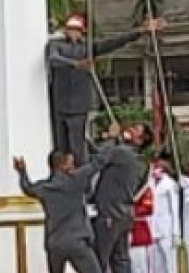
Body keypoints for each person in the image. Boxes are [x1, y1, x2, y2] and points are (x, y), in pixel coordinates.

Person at [46, 14, 163, 164]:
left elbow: (113, 43)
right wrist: (76, 64)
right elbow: (53, 58)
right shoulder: (56, 45)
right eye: (70, 29)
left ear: (82, 31)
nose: (73, 32)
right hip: (59, 102)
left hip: (78, 106)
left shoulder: (87, 47)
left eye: (77, 30)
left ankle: (82, 176)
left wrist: (139, 31)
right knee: (60, 149)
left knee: (78, 147)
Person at [91, 121, 152, 273]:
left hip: (110, 211)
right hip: (125, 213)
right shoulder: (142, 161)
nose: (130, 129)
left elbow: (98, 158)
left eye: (136, 130)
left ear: (140, 140)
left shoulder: (122, 153)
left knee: (100, 259)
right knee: (121, 258)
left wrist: (110, 137)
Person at [148, 153, 181, 273]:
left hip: (167, 228)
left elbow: (175, 209)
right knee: (157, 266)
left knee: (170, 265)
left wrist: (176, 232)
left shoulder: (170, 184)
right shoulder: (149, 183)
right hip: (153, 228)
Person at [129, 178, 154, 273]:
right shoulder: (124, 187)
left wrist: (129, 210)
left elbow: (148, 208)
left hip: (138, 231)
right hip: (125, 232)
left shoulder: (144, 189)